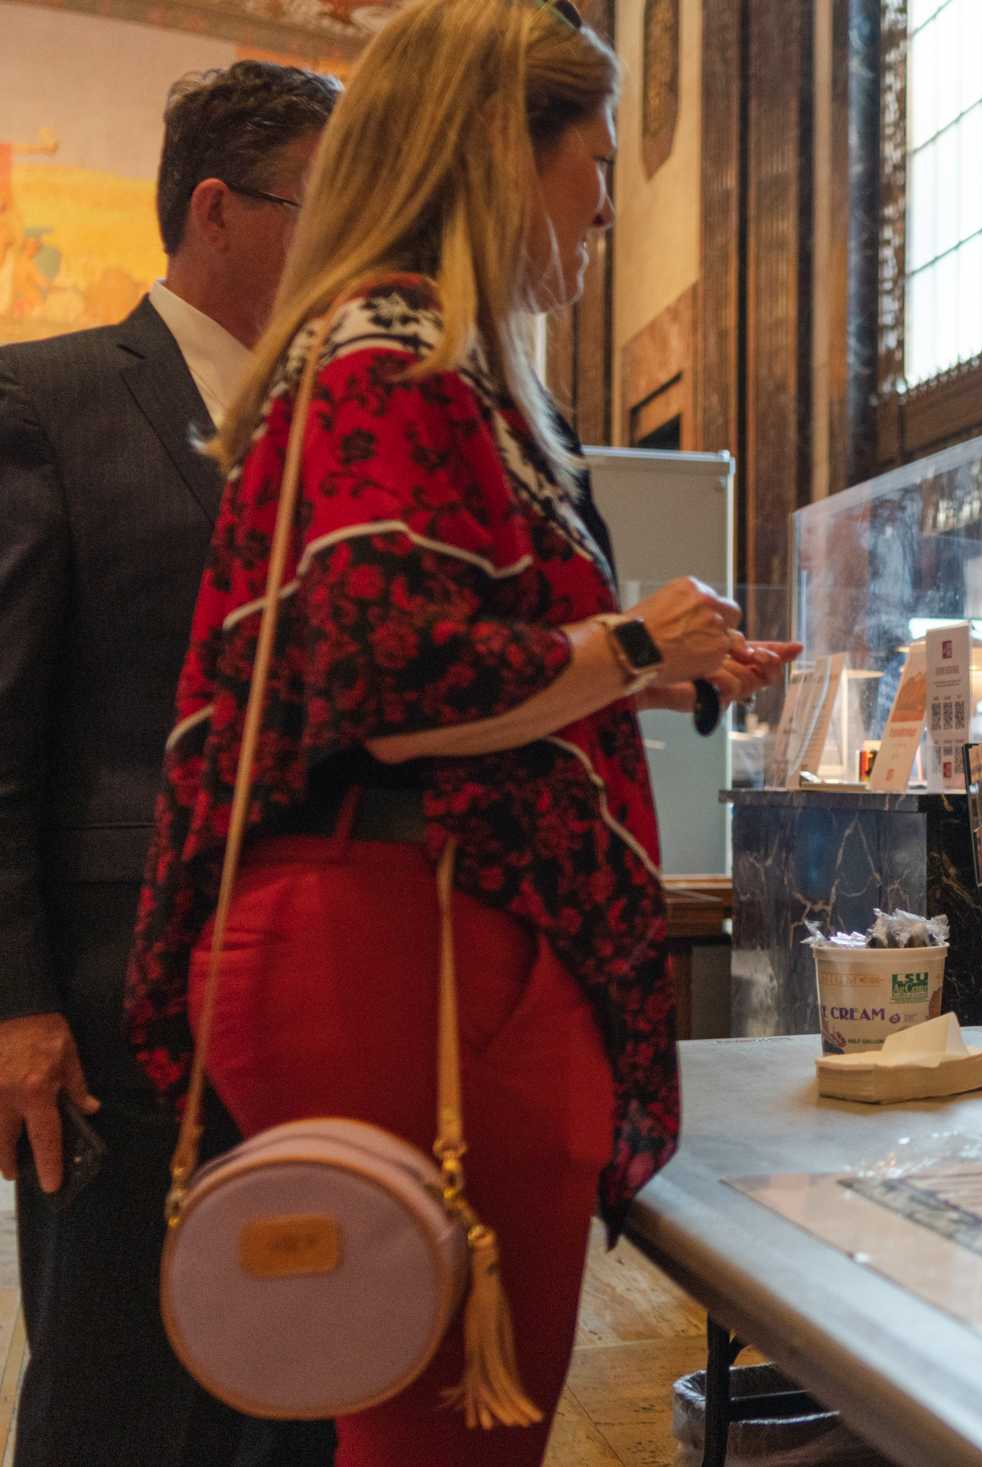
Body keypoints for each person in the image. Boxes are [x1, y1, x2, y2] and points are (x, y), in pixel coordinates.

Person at [120, 4, 787, 1462]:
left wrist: (641, 678)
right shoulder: (396, 353)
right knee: (451, 1427)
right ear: (501, 153)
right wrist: (631, 641)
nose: (607, 201)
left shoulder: (420, 356)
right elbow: (392, 683)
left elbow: (429, 660)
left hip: (417, 921)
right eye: (592, 161)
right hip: (406, 932)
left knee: (445, 1416)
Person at [0, 62, 341, 1467]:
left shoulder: (349, 427)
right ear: (218, 210)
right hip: (112, 1013)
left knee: (303, 1381)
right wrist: (14, 1001)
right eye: (329, 212)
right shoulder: (51, 401)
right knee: (121, 1403)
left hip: (314, 994)